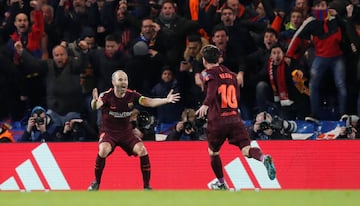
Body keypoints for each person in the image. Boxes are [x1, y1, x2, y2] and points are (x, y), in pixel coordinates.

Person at [196, 45, 276, 190]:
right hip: (234, 118)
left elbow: (212, 88)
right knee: (246, 149)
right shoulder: (232, 75)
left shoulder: (208, 73)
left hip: (218, 120)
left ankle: (221, 184)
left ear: (204, 60)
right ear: (218, 58)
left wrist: (206, 104)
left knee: (213, 152)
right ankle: (264, 158)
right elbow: (237, 96)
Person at [88, 70, 180, 191]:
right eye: (120, 79)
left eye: (125, 79)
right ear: (113, 82)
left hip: (126, 133)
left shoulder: (132, 95)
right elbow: (96, 106)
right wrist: (94, 102)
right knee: (103, 150)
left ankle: (147, 186)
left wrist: (166, 100)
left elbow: (149, 102)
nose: (123, 82)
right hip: (109, 133)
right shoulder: (106, 96)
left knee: (142, 150)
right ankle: (96, 183)